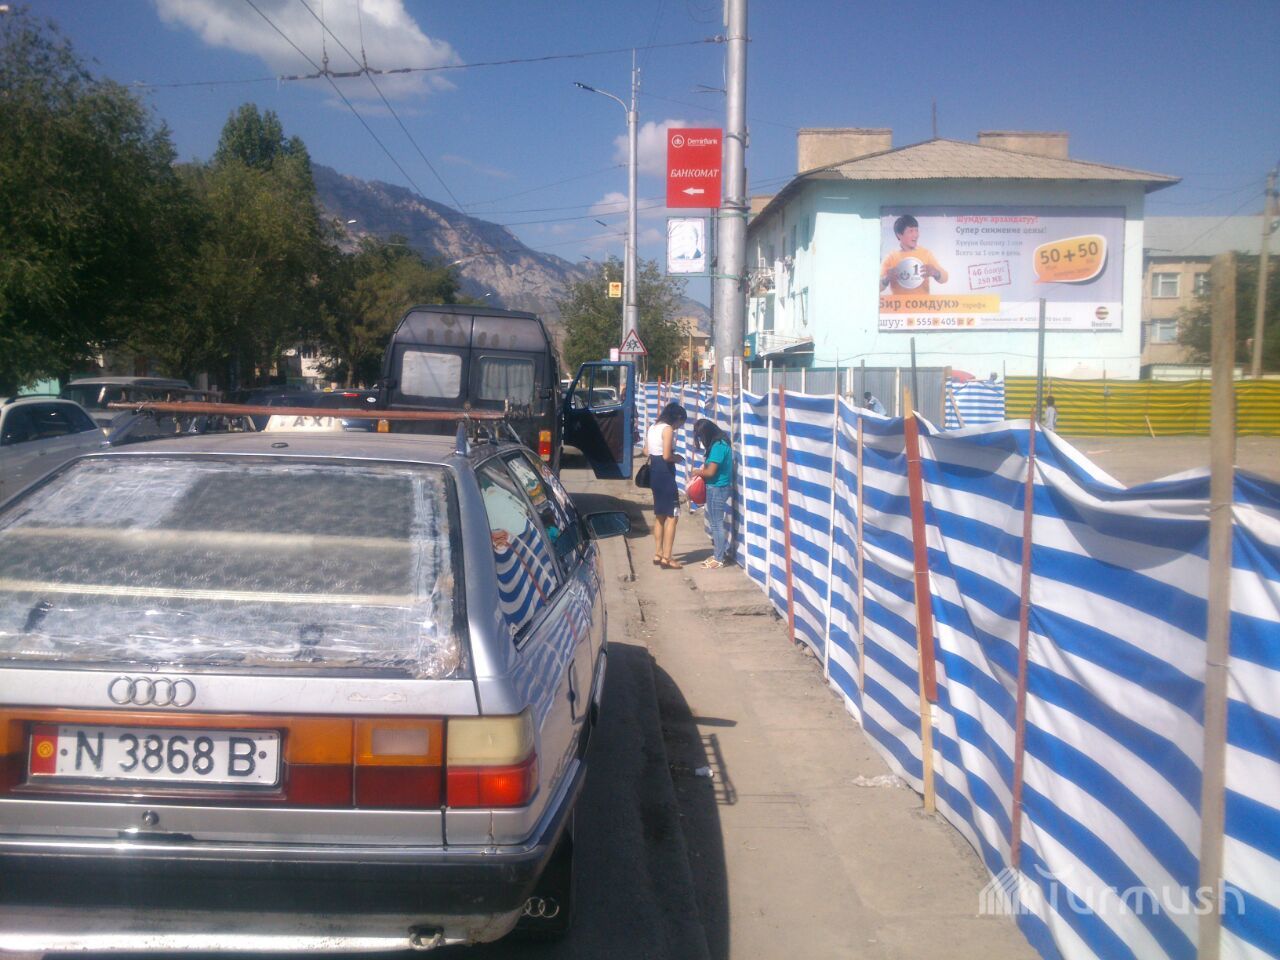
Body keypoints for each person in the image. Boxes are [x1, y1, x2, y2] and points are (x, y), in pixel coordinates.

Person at [646, 402, 688, 569]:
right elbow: (666, 456)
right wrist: (677, 457)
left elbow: (646, 451)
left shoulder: (652, 427)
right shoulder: (667, 429)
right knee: (672, 516)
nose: (679, 427)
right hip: (666, 474)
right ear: (676, 418)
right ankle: (667, 557)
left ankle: (658, 553)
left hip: (654, 473)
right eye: (680, 423)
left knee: (660, 515)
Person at [691, 419, 733, 569]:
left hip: (717, 487)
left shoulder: (718, 447)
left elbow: (710, 472)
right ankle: (717, 554)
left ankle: (719, 558)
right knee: (715, 523)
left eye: (701, 437)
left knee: (716, 524)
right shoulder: (721, 443)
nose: (701, 440)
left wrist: (697, 472)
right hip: (717, 487)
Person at [880, 214, 948, 294]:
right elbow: (876, 286)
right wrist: (886, 279)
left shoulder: (926, 253)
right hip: (899, 302)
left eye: (916, 230)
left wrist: (936, 273)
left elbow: (945, 278)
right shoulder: (891, 257)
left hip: (922, 301)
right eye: (911, 231)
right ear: (899, 235)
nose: (915, 235)